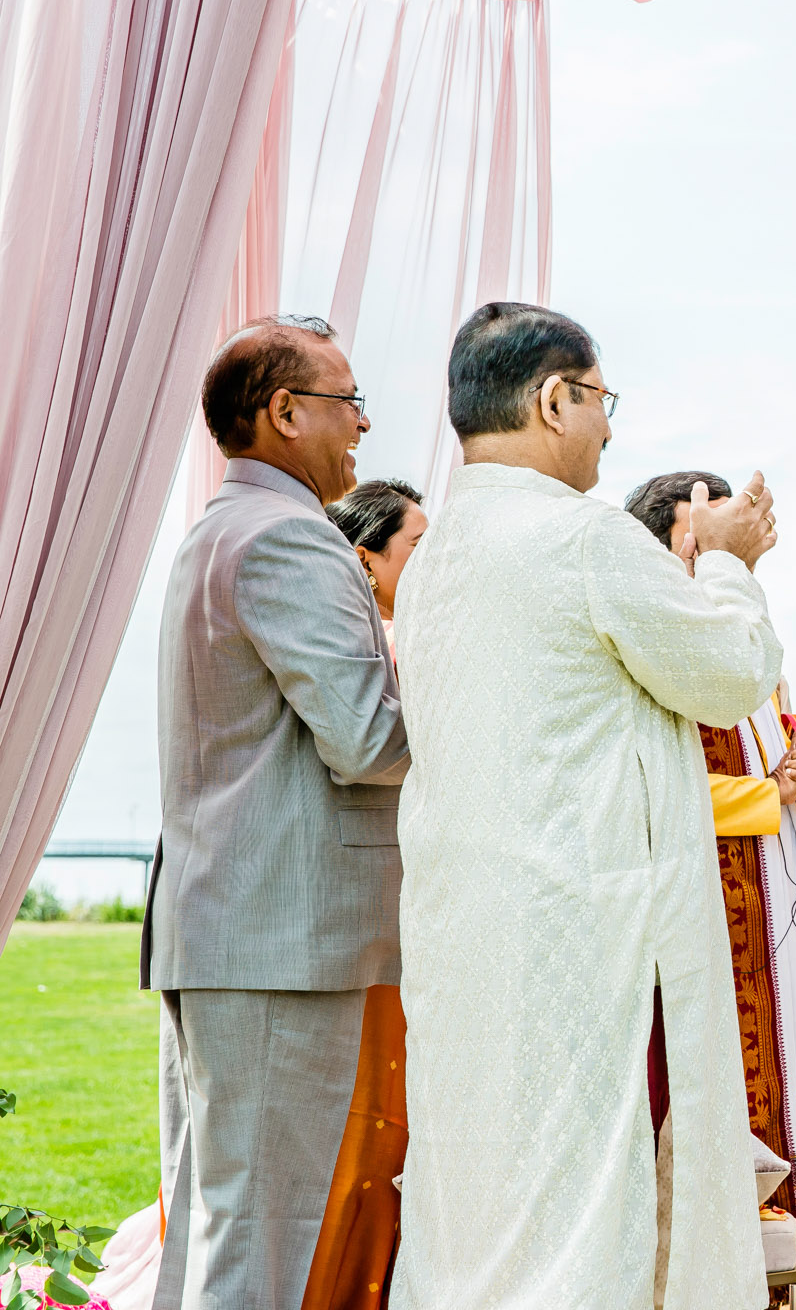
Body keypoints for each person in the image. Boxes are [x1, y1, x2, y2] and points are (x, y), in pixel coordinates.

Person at [391, 302, 783, 1310]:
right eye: (602, 401)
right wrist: (732, 564)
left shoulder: (435, 557)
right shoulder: (583, 538)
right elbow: (730, 676)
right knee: (585, 1198)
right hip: (588, 934)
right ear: (552, 398)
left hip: (470, 935)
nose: (610, 428)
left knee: (484, 1198)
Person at [144, 314, 408, 1310]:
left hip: (239, 930)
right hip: (278, 941)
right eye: (349, 402)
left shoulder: (226, 527)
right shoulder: (290, 537)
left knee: (221, 1223)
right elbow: (372, 739)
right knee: (262, 1238)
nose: (365, 426)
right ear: (286, 412)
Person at [622, 470, 796, 1297]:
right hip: (696, 917)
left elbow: (767, 758)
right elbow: (646, 787)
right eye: (696, 531)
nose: (711, 546)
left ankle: (773, 1277)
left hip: (767, 911)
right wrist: (772, 792)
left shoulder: (740, 643)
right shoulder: (648, 640)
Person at [304, 479, 430, 1310]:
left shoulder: (413, 642)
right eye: (420, 548)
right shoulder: (365, 653)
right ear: (366, 560)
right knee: (364, 1117)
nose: (439, 564)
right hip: (365, 908)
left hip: (413, 911)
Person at [327, 478, 428, 631]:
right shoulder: (403, 645)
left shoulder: (329, 632)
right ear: (364, 562)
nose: (434, 555)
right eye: (420, 545)